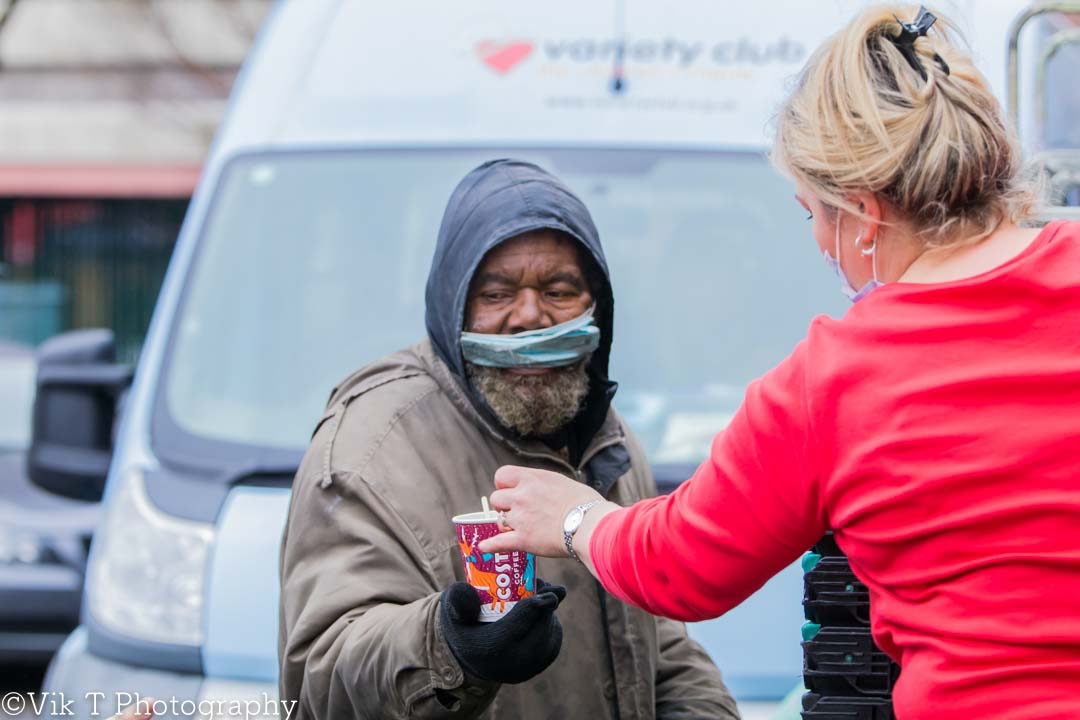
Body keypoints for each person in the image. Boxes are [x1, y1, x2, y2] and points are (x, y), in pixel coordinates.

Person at [480, 6, 1080, 720]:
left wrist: (579, 520)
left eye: (814, 214)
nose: (821, 242)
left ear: (864, 211)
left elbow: (683, 564)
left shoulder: (837, 378)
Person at [277, 159, 740, 720]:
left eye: (559, 290)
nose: (530, 318)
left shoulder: (605, 441)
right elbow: (322, 678)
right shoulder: (370, 449)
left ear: (596, 306)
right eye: (497, 294)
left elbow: (655, 643)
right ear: (454, 306)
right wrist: (450, 649)